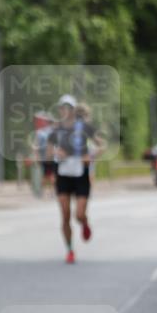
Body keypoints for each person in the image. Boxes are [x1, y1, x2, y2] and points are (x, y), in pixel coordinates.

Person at [47, 95, 105, 264]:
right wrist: (55, 154)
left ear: (73, 110)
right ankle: (70, 250)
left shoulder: (84, 127)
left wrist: (90, 155)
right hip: (63, 174)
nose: (63, 111)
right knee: (65, 215)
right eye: (61, 108)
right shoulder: (56, 130)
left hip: (81, 175)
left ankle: (84, 223)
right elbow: (48, 153)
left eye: (67, 107)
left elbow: (102, 145)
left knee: (78, 215)